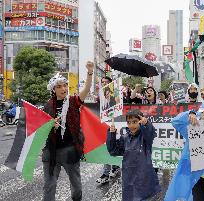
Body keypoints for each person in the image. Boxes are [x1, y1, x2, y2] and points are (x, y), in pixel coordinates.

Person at [42, 61, 95, 201]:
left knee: (76, 183)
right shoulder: (47, 106)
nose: (63, 88)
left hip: (70, 149)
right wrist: (50, 127)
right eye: (59, 87)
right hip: (51, 150)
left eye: (65, 85)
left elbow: (86, 89)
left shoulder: (73, 101)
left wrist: (90, 72)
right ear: (53, 90)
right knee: (49, 185)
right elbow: (41, 128)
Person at [165, 97, 204, 201]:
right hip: (195, 178)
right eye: (203, 111)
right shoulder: (194, 128)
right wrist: (190, 113)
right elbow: (175, 122)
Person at [106, 109, 161, 201]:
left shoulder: (145, 137)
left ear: (140, 121)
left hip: (144, 177)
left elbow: (150, 131)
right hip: (129, 178)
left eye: (135, 122)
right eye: (129, 122)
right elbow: (113, 151)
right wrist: (112, 134)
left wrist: (146, 123)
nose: (131, 125)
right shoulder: (125, 137)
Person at [96, 75, 120, 184]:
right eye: (102, 82)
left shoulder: (116, 94)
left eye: (106, 82)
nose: (104, 84)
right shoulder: (100, 97)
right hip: (105, 125)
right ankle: (105, 173)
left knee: (114, 146)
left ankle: (115, 166)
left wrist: (114, 95)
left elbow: (119, 104)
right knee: (107, 147)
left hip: (117, 124)